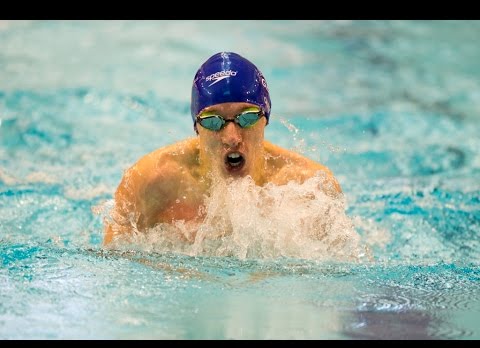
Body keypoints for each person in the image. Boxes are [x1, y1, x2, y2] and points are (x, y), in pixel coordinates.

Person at [103, 51, 341, 245]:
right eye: (213, 120)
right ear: (197, 127)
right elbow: (114, 264)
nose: (232, 137)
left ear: (265, 118)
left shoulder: (309, 186)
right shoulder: (151, 181)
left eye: (246, 117)